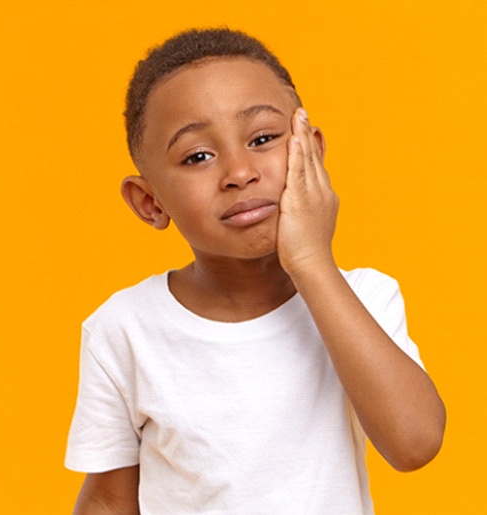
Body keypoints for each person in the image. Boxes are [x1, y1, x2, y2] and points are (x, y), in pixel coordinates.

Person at [65, 28, 446, 514]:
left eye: (263, 138)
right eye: (197, 156)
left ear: (312, 151)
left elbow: (414, 444)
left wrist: (310, 261)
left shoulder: (364, 297)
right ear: (149, 201)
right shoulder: (123, 328)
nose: (239, 172)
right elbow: (109, 499)